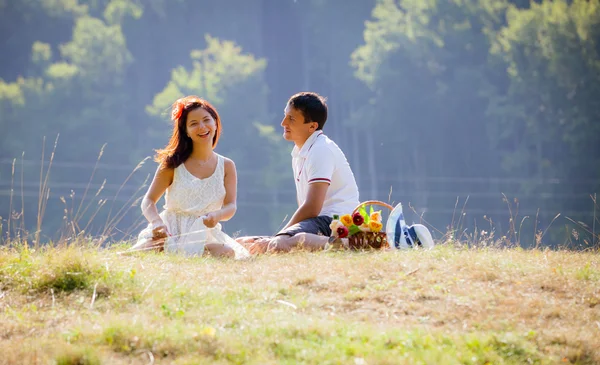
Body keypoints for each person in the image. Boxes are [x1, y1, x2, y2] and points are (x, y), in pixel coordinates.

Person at [237, 92, 360, 253]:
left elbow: (312, 207)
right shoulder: (300, 151)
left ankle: (350, 244)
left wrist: (280, 235)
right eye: (285, 116)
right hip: (318, 221)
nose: (283, 123)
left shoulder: (321, 149)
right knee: (242, 243)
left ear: (312, 126)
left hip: (335, 221)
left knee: (278, 244)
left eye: (292, 119)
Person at [129, 95, 250, 259]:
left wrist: (217, 215)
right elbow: (148, 201)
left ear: (215, 122)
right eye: (193, 123)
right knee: (143, 251)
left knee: (226, 252)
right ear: (185, 131)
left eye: (206, 120)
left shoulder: (227, 165)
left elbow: (230, 207)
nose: (202, 127)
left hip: (204, 234)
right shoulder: (172, 164)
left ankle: (186, 255)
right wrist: (157, 223)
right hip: (170, 233)